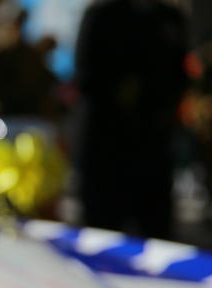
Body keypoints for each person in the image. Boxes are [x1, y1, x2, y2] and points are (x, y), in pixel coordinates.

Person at [73, 0, 189, 239]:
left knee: (154, 235)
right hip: (105, 147)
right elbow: (86, 76)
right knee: (102, 235)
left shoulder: (168, 18)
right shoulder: (101, 15)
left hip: (151, 147)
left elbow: (178, 77)